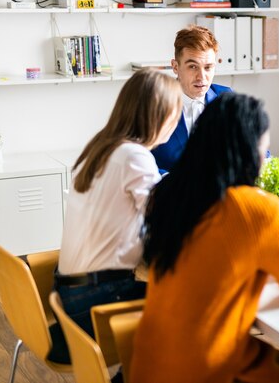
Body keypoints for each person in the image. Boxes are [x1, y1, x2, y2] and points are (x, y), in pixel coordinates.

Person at [131, 92, 279, 383]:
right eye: (265, 150)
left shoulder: (175, 196)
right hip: (209, 372)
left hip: (151, 368)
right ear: (249, 152)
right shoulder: (253, 209)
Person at [53, 69, 182, 362]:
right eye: (174, 115)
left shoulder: (102, 145)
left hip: (71, 292)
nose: (175, 124)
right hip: (96, 300)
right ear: (157, 114)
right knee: (191, 312)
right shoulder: (134, 156)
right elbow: (166, 216)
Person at [151, 25, 232, 172]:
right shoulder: (153, 104)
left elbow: (258, 152)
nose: (201, 77)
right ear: (175, 66)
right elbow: (136, 160)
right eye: (193, 67)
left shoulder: (227, 100)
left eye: (208, 68)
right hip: (169, 192)